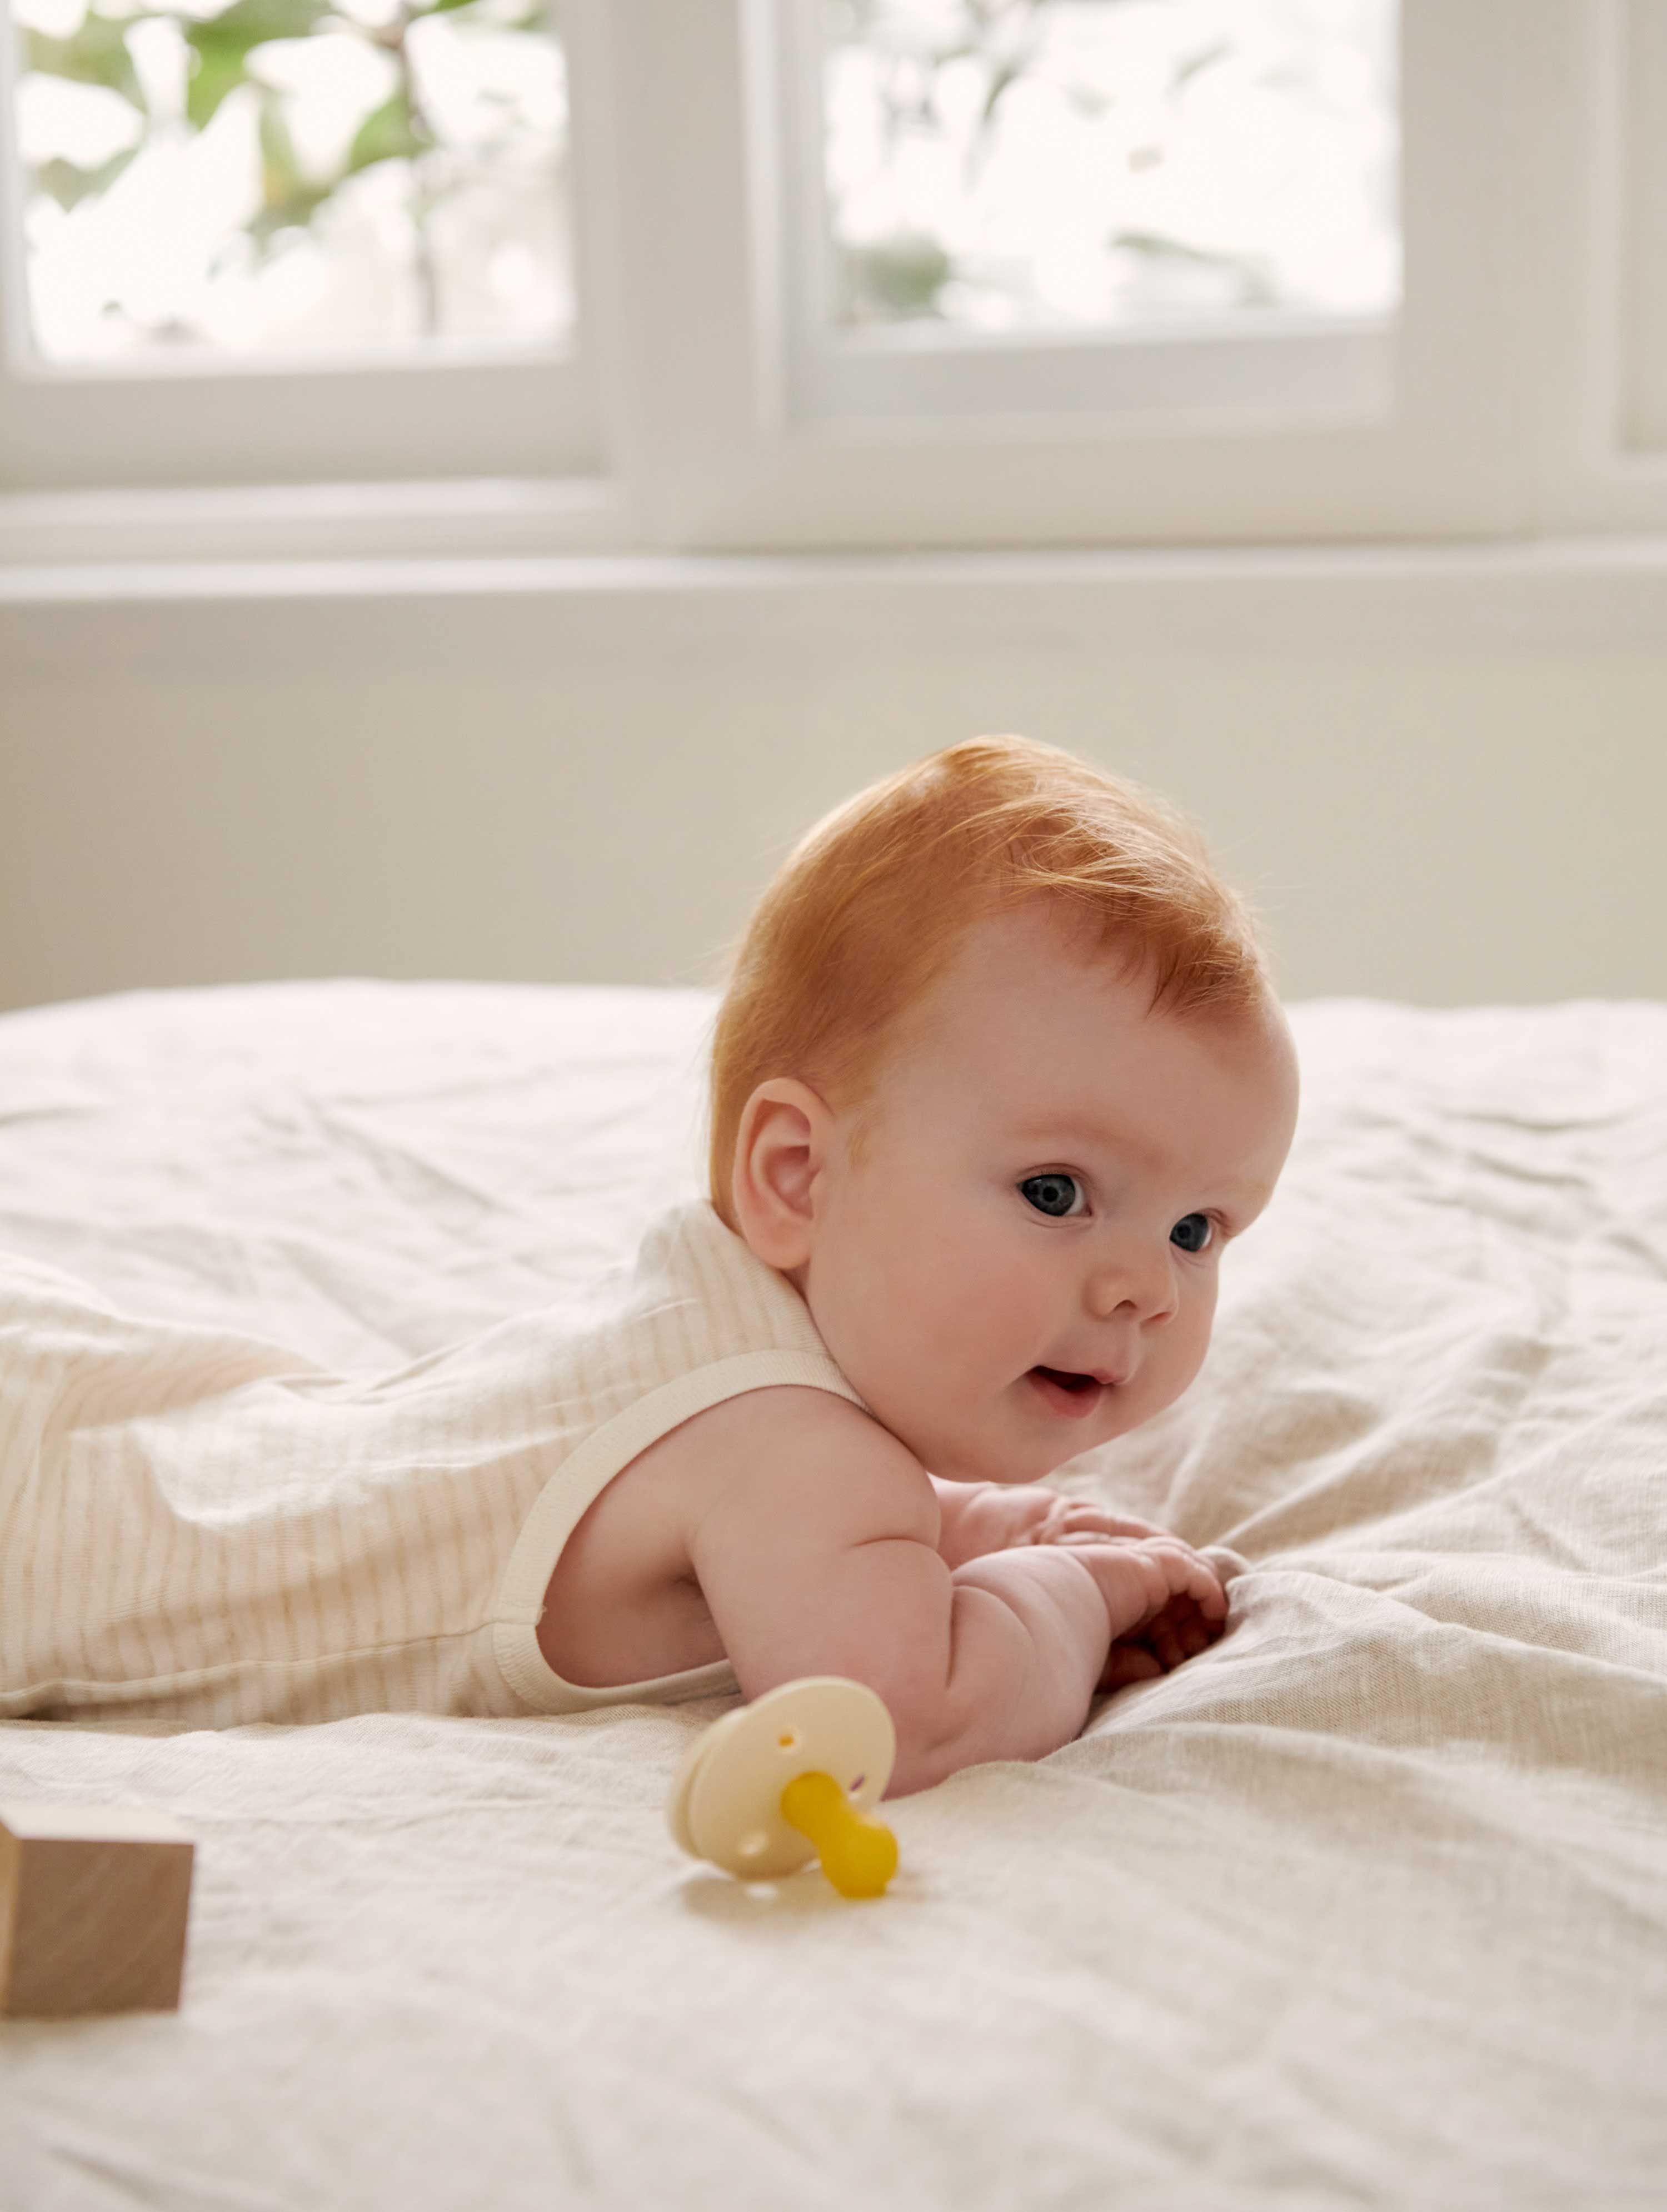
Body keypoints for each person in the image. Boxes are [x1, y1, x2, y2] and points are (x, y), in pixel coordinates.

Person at [0, 738, 1299, 1798]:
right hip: (57, 1557)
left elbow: (802, 1521)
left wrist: (982, 1524)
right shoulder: (800, 1458)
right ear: (796, 1176)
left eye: (1200, 1230)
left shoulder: (717, 1326)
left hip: (111, 1419)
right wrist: (1070, 1590)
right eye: (1056, 1193)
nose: (1148, 1288)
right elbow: (904, 1721)